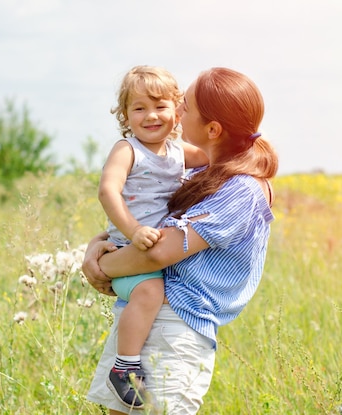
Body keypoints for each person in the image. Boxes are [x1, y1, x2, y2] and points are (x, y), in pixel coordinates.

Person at [83, 67, 279, 414]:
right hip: (142, 315)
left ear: (213, 129)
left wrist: (98, 267)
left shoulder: (242, 190)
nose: (175, 112)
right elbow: (142, 216)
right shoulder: (200, 173)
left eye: (183, 105)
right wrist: (94, 249)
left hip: (176, 326)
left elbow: (156, 253)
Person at [99, 65, 208, 409]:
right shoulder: (127, 149)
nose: (151, 116)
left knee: (156, 289)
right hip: (129, 251)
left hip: (154, 253)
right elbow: (107, 190)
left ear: (177, 110)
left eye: (161, 106)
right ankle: (125, 367)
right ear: (125, 115)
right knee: (150, 290)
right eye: (139, 108)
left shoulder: (177, 151)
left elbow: (213, 155)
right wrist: (132, 230)